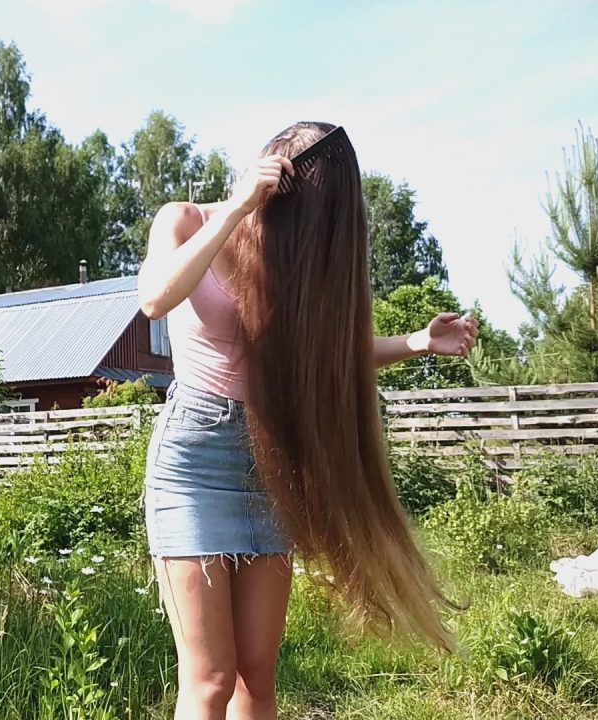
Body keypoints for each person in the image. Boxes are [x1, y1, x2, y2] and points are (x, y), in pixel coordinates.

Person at [137, 121, 478, 720]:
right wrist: (239, 206)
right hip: (195, 460)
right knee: (211, 679)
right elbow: (156, 297)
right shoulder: (187, 219)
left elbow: (329, 351)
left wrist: (418, 343)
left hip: (271, 460)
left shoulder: (291, 258)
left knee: (256, 679)